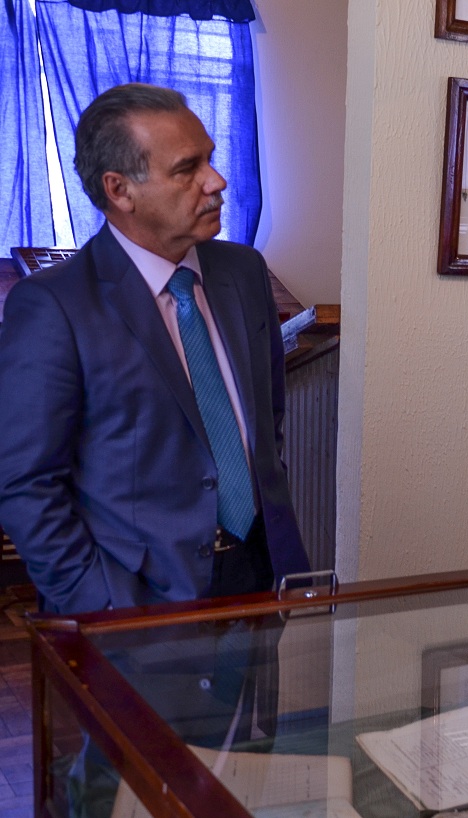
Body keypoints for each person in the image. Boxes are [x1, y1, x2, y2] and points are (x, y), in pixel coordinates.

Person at [0, 83, 310, 615]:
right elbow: (26, 485)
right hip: (133, 606)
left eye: (210, 158)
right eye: (188, 168)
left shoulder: (244, 272)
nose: (217, 181)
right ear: (120, 190)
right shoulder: (53, 306)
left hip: (261, 581)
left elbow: (266, 421)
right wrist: (101, 603)